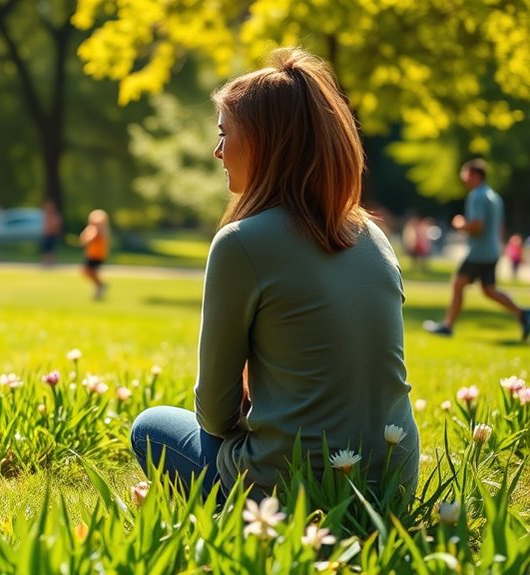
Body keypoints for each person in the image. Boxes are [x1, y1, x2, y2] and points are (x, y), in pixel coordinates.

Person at [130, 48, 419, 502]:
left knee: (149, 427)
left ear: (266, 143)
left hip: (289, 489)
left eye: (226, 135)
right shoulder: (371, 235)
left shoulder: (242, 243)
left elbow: (214, 415)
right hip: (389, 483)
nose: (218, 151)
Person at [423, 159, 530, 340]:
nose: (463, 178)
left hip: (479, 253)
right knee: (489, 290)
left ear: (476, 175)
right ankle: (523, 313)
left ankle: (447, 326)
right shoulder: (494, 196)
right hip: (492, 251)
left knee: (458, 284)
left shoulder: (477, 196)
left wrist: (460, 224)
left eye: (466, 174)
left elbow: (477, 227)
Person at [79, 209, 110, 300]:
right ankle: (99, 286)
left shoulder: (101, 230)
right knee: (88, 272)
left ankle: (100, 285)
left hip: (97, 255)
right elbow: (84, 238)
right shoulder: (91, 228)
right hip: (91, 254)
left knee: (89, 271)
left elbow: (92, 238)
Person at [40, 200, 62, 267]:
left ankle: (51, 263)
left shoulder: (55, 215)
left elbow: (56, 225)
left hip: (51, 235)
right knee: (45, 249)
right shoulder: (46, 215)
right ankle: (45, 263)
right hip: (46, 234)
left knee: (51, 249)